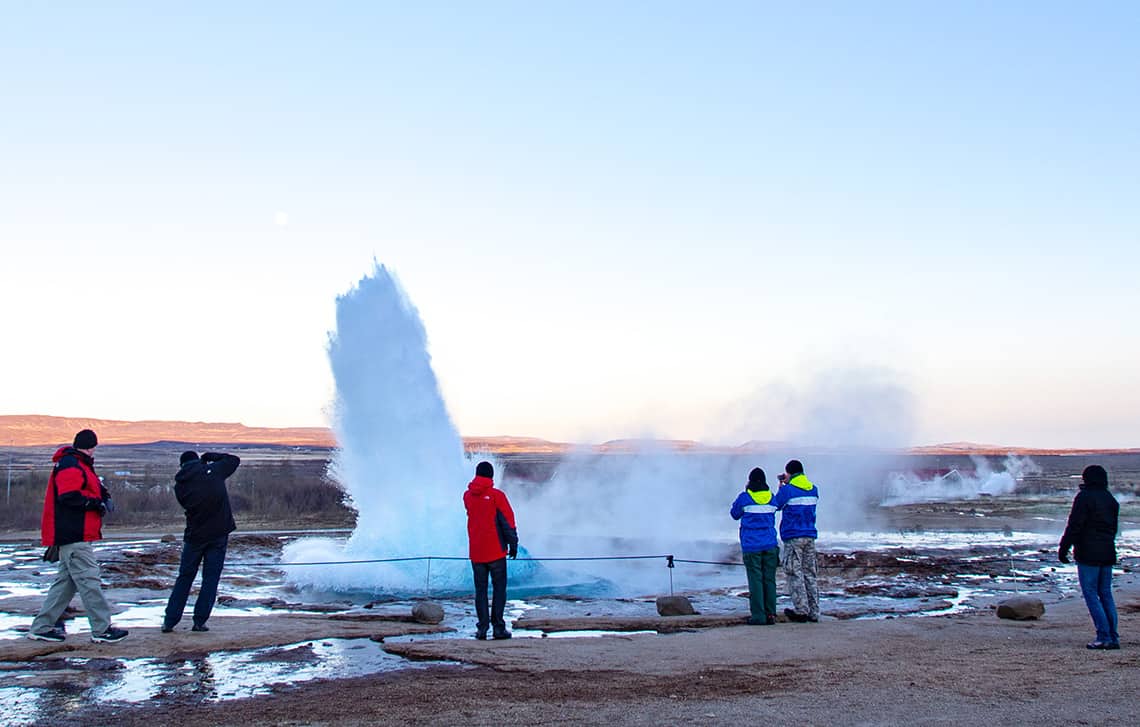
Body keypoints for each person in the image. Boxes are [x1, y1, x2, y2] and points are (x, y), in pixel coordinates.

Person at [27, 429, 129, 643]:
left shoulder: (77, 464)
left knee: (65, 583)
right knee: (89, 580)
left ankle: (42, 627)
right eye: (93, 448)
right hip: (74, 533)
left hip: (74, 533)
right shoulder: (71, 464)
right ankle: (102, 629)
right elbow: (68, 496)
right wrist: (94, 503)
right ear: (91, 447)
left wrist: (102, 495)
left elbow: (85, 489)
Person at [162, 450, 240, 633]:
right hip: (219, 534)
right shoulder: (214, 471)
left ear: (181, 466)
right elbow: (234, 460)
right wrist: (210, 456)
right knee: (210, 579)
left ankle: (170, 621)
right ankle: (199, 621)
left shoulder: (179, 486)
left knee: (184, 578)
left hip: (195, 536)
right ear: (197, 461)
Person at [1058, 464, 1120, 650]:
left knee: (1091, 594)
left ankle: (1103, 636)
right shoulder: (1110, 499)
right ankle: (1113, 636)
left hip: (1088, 553)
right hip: (1107, 552)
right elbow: (1113, 529)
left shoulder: (1084, 498)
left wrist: (1064, 548)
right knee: (1106, 594)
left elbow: (1074, 526)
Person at [463, 460, 518, 640]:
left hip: (477, 552)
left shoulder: (467, 496)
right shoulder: (497, 496)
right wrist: (513, 543)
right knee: (499, 589)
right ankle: (498, 627)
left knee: (480, 590)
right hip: (495, 551)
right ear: (491, 476)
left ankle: (482, 628)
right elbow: (507, 521)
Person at [731, 467, 779, 625]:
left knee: (755, 580)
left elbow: (734, 514)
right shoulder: (771, 498)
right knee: (770, 579)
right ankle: (771, 613)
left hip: (752, 546)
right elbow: (778, 506)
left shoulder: (745, 498)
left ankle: (758, 615)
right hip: (770, 544)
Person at [774, 459, 820, 623]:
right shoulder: (813, 490)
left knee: (794, 572)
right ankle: (814, 611)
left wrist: (782, 487)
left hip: (793, 536)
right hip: (810, 536)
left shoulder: (788, 491)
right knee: (810, 573)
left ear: (789, 473)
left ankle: (801, 610)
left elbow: (776, 505)